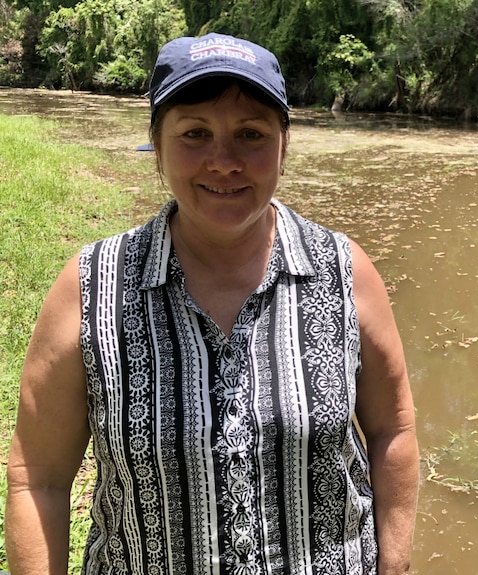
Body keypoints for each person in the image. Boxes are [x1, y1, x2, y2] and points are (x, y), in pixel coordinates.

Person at [5, 33, 419, 575]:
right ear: (157, 146)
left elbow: (395, 430)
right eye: (195, 133)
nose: (223, 162)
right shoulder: (92, 286)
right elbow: (39, 477)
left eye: (250, 134)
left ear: (283, 146)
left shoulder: (343, 270)